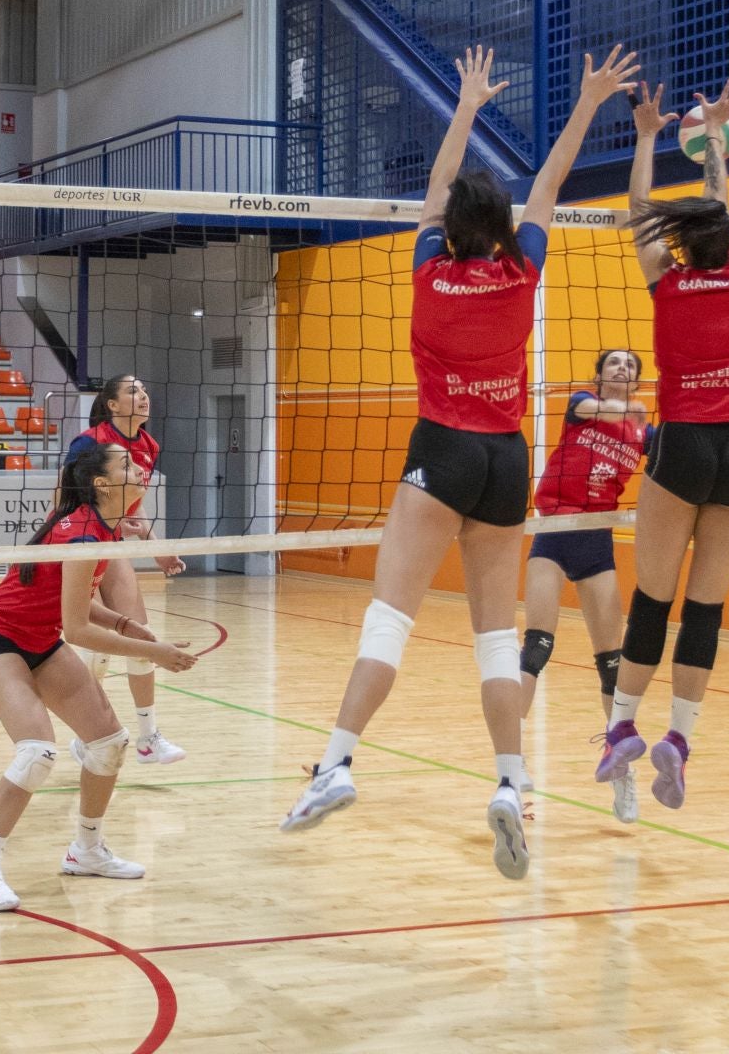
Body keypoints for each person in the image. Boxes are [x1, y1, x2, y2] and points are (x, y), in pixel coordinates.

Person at [281, 44, 641, 881]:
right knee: (494, 641)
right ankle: (512, 786)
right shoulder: (524, 270)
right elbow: (550, 184)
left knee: (389, 620)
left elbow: (439, 189)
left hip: (441, 452)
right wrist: (588, 99)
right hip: (507, 464)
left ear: (450, 228)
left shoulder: (430, 271)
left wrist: (468, 106)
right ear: (502, 231)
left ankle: (335, 763)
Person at [594, 78, 729, 810]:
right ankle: (680, 738)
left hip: (687, 444)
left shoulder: (670, 283)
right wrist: (717, 137)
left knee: (652, 602)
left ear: (682, 247)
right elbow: (718, 208)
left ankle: (623, 729)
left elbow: (640, 215)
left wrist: (644, 138)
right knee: (707, 609)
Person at [0, 442, 198, 913]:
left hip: (41, 641)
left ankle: (87, 851)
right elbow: (77, 629)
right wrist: (153, 650)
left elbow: (73, 601)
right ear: (102, 483)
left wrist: (124, 623)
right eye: (127, 464)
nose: (140, 467)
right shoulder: (85, 536)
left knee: (109, 743)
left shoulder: (101, 530)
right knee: (36, 753)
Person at [519, 348, 650, 822]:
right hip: (554, 535)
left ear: (637, 379)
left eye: (630, 366)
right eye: (613, 363)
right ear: (599, 376)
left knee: (612, 664)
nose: (621, 369)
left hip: (597, 543)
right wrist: (637, 409)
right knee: (536, 646)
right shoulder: (582, 404)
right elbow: (600, 408)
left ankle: (621, 770)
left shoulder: (642, 433)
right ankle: (512, 755)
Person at [66, 375, 187, 766]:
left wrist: (157, 550)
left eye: (145, 389)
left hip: (113, 541)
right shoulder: (89, 441)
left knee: (136, 633)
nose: (144, 395)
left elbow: (136, 508)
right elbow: (62, 496)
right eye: (133, 391)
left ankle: (148, 738)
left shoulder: (148, 445)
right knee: (94, 637)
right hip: (82, 542)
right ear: (113, 405)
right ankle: (91, 733)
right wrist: (75, 540)